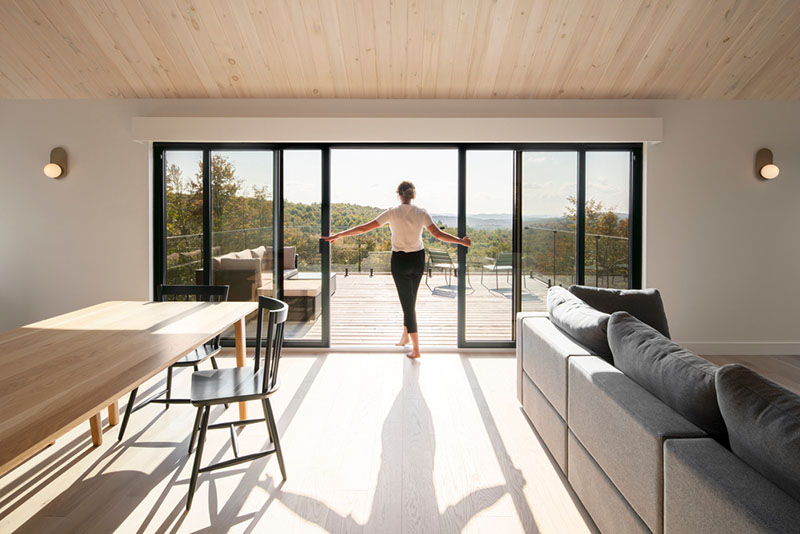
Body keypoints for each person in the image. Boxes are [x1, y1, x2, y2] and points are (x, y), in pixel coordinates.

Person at [322, 181, 471, 359]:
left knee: (407, 304)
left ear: (398, 194)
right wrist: (462, 241)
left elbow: (363, 228)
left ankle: (416, 349)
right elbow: (438, 234)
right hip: (417, 259)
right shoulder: (421, 213)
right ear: (412, 195)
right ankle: (405, 337)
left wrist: (339, 235)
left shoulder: (392, 213)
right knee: (410, 300)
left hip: (400, 261)